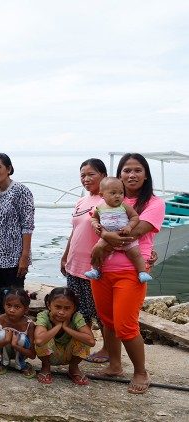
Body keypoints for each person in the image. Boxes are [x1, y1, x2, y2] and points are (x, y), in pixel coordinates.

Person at [90, 153, 165, 394]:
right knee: (108, 321)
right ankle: (114, 365)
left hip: (130, 272)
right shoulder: (106, 201)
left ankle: (141, 371)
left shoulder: (154, 203)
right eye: (126, 170)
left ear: (146, 175)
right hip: (102, 271)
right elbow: (95, 223)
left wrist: (104, 237)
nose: (131, 175)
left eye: (137, 170)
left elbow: (136, 232)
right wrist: (101, 234)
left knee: (125, 325)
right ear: (119, 175)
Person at [60, 158, 109, 363]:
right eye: (82, 175)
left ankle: (108, 349)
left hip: (94, 267)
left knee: (101, 313)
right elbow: (76, 230)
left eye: (91, 174)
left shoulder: (107, 201)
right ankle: (83, 347)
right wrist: (65, 256)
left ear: (104, 176)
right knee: (80, 311)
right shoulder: (82, 200)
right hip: (74, 264)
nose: (86, 179)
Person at [0, 153, 35, 309]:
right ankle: (3, 332)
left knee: (15, 301)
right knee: (2, 300)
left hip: (14, 259)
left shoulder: (21, 191)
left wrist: (24, 256)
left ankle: (18, 332)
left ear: (8, 168)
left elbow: (27, 225)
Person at [83, 177, 152, 282]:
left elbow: (134, 217)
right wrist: (95, 224)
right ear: (102, 195)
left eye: (121, 193)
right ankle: (95, 270)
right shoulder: (99, 207)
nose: (118, 196)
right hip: (106, 238)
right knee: (99, 252)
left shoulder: (124, 206)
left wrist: (129, 226)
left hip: (125, 235)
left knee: (135, 254)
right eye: (113, 193)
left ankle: (142, 272)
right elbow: (93, 218)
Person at [34, 287, 96, 385]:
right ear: (49, 305)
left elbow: (91, 341)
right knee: (43, 338)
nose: (61, 312)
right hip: (49, 354)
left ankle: (73, 368)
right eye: (58, 307)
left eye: (67, 308)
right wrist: (58, 326)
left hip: (70, 353)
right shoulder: (43, 316)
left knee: (83, 339)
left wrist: (67, 328)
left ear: (74, 309)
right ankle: (45, 367)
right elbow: (39, 341)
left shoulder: (76, 317)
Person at [0, 288, 36, 378]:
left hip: (22, 351)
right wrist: (6, 341)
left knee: (21, 338)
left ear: (25, 309)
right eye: (8, 305)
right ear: (3, 305)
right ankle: (4, 362)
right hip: (4, 348)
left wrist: (15, 345)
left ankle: (20, 363)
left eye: (17, 307)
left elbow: (33, 354)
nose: (11, 310)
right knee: (2, 335)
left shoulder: (29, 325)